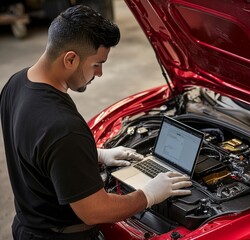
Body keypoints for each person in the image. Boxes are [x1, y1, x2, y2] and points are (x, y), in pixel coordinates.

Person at [0, 5, 192, 240]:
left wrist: (97, 154)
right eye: (97, 64)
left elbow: (35, 147)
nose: (99, 73)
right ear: (70, 58)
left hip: (27, 224)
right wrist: (149, 194)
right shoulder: (63, 127)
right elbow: (95, 211)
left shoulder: (16, 84)